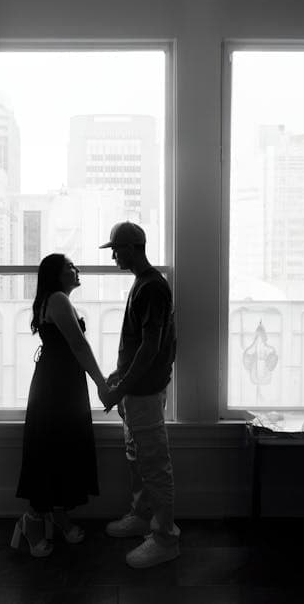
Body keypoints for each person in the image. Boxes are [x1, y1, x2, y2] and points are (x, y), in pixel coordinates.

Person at [12, 253, 109, 557]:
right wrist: (102, 385)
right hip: (57, 386)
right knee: (53, 448)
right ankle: (32, 521)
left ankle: (58, 514)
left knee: (59, 448)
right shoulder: (57, 298)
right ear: (55, 274)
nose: (76, 269)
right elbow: (79, 345)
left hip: (58, 383)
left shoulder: (54, 299)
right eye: (70, 266)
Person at [99, 221, 180, 569]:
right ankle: (142, 515)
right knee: (137, 457)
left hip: (144, 393)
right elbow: (140, 345)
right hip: (137, 390)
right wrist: (120, 376)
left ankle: (164, 538)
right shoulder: (143, 284)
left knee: (153, 464)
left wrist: (122, 387)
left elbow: (151, 346)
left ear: (133, 247)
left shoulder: (152, 288)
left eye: (116, 248)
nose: (114, 255)